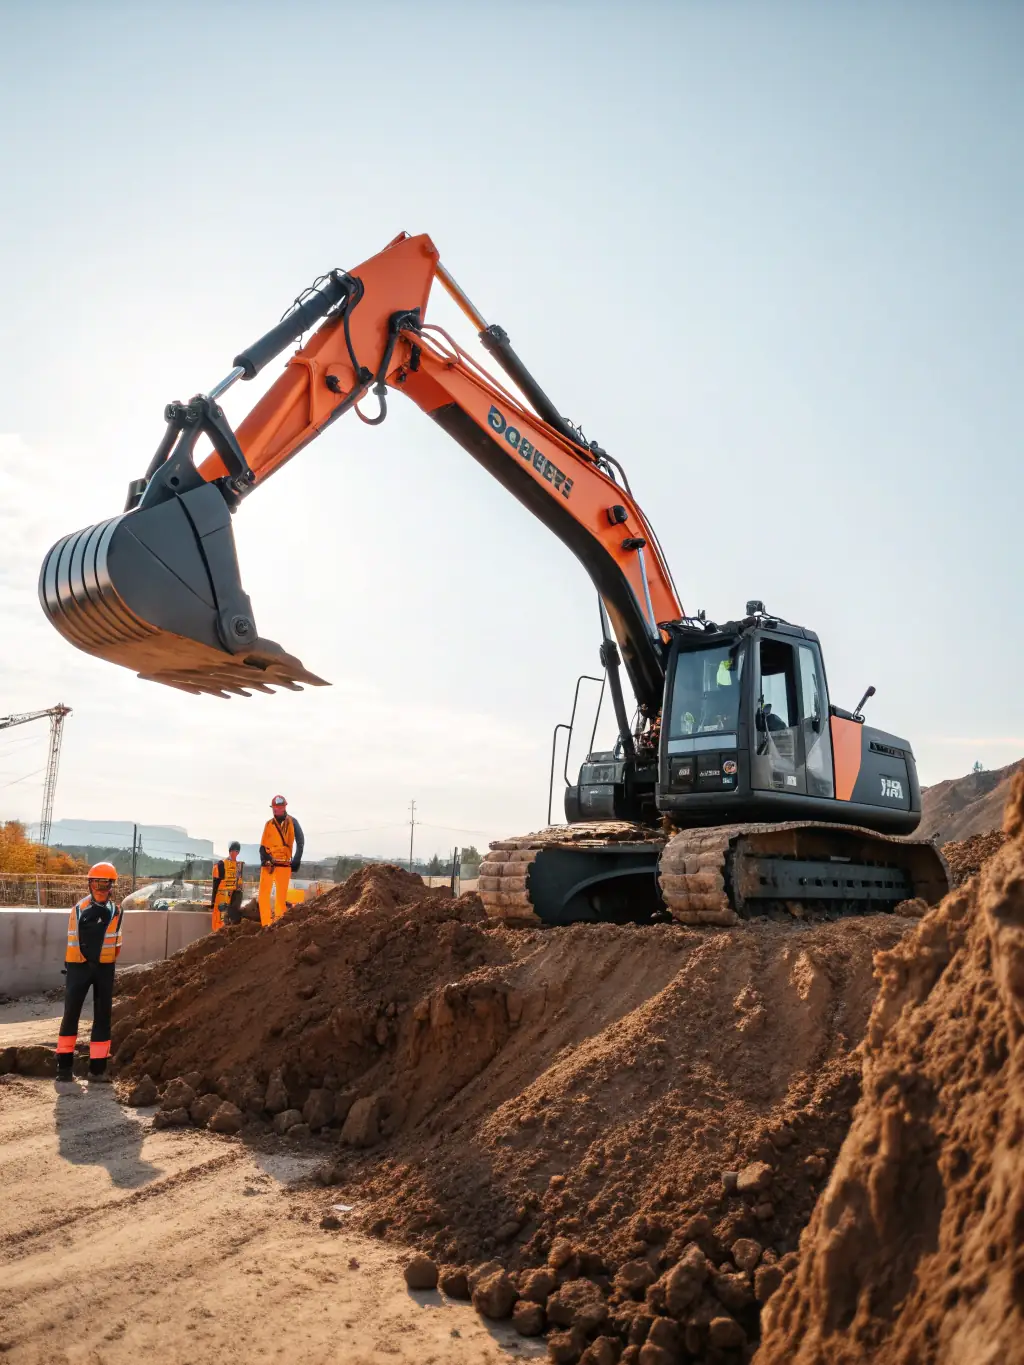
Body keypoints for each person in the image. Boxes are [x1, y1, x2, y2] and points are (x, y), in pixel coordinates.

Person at [56, 862, 125, 1087]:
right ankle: (64, 1068)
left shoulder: (117, 911)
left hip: (105, 968)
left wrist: (107, 960)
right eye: (96, 882)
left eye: (105, 883)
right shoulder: (80, 909)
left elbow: (117, 941)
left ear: (111, 885)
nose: (100, 887)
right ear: (90, 883)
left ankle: (97, 1070)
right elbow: (78, 939)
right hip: (79, 966)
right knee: (71, 1013)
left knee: (103, 1017)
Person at [258, 795, 303, 927]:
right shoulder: (269, 824)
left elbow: (300, 841)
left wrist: (297, 859)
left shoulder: (293, 822)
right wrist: (265, 860)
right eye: (274, 808)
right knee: (263, 896)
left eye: (278, 807)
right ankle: (266, 924)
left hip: (284, 863)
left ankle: (278, 923)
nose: (275, 810)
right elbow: (262, 847)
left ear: (284, 807)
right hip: (269, 863)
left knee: (281, 898)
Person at [210, 841, 243, 931]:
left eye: (236, 851)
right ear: (229, 851)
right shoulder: (221, 864)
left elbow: (239, 885)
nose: (234, 853)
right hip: (221, 895)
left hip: (233, 895)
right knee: (220, 918)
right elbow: (215, 883)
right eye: (233, 851)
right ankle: (217, 936)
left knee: (230, 919)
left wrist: (238, 900)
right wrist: (213, 901)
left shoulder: (239, 866)